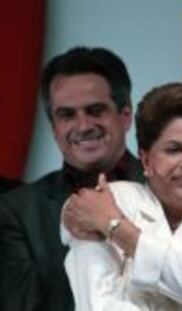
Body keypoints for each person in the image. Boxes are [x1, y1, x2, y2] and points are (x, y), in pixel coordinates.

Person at [62, 82, 182, 310]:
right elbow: (98, 303)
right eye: (174, 150)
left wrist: (117, 228)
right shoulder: (115, 199)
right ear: (146, 160)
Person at [0, 47, 144, 311]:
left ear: (125, 116)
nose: (83, 125)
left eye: (95, 110)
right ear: (53, 127)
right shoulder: (16, 211)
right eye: (67, 115)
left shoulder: (173, 190)